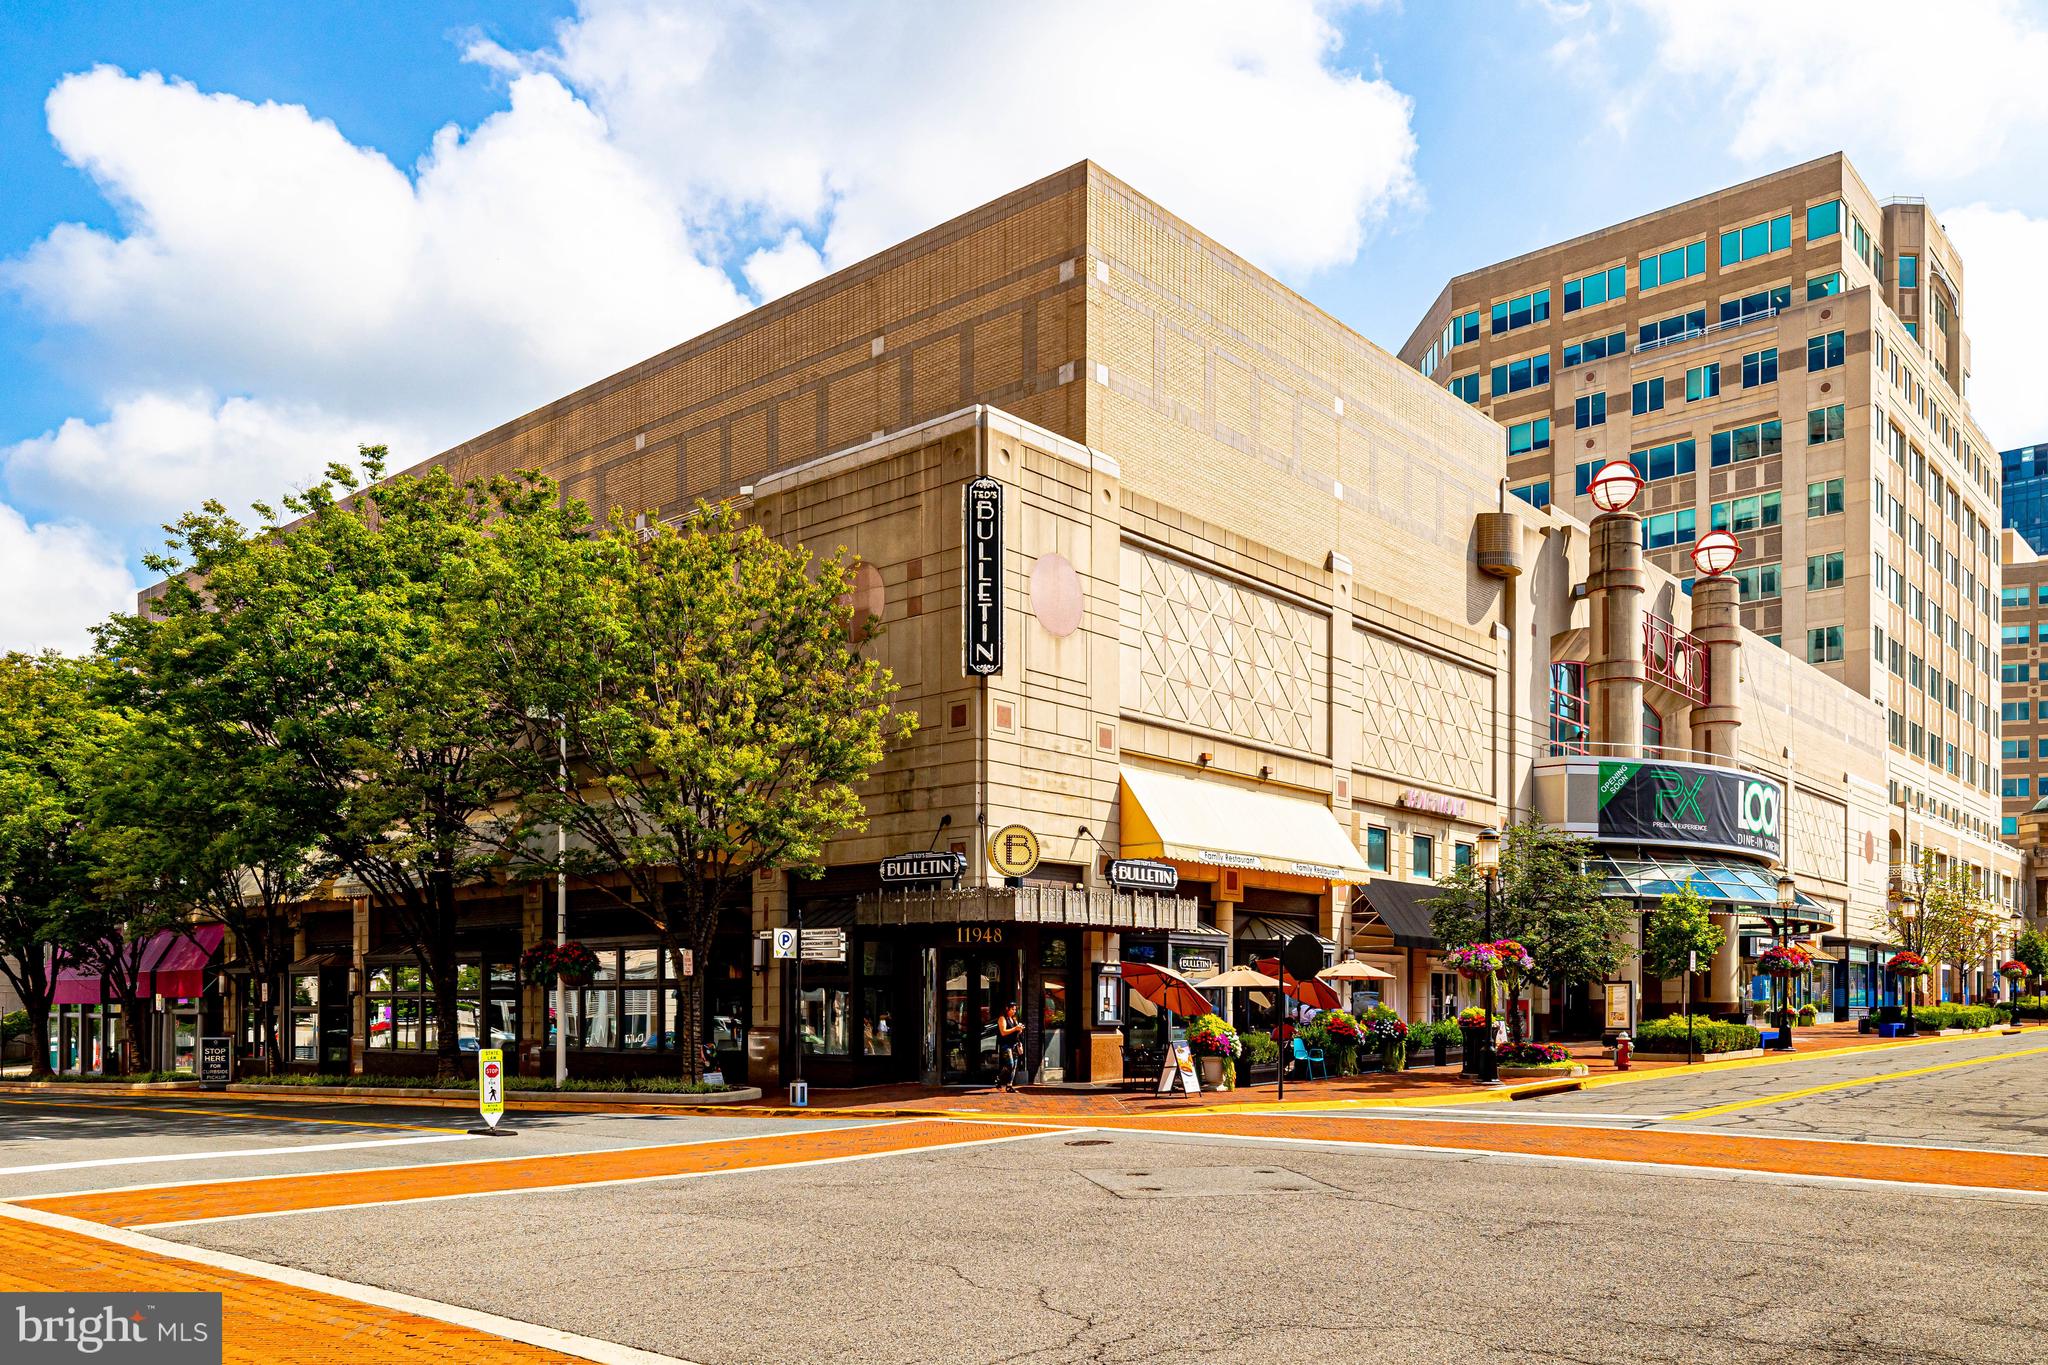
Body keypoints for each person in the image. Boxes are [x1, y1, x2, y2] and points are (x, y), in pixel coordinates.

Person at [995, 1002, 1026, 1092]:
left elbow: (1016, 1032)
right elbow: (1003, 1032)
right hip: (1006, 1045)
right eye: (1012, 1009)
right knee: (1010, 1064)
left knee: (1014, 1066)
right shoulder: (1002, 1018)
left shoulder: (1014, 1019)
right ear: (1007, 1008)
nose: (1014, 1011)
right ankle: (999, 1078)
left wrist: (1019, 1030)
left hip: (1014, 1045)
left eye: (1015, 1009)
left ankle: (1009, 1085)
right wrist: (1015, 1028)